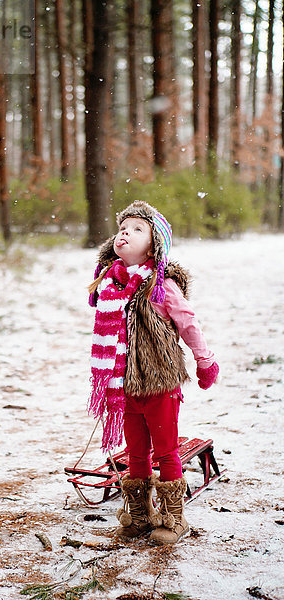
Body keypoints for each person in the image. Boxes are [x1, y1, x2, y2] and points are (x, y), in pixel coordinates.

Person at [87, 201, 219, 545]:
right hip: (124, 385)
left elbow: (188, 323)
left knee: (164, 451)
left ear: (154, 244)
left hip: (159, 384)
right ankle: (140, 517)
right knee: (135, 453)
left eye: (136, 229)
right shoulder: (110, 283)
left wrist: (204, 361)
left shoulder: (162, 286)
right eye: (122, 228)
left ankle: (174, 518)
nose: (125, 233)